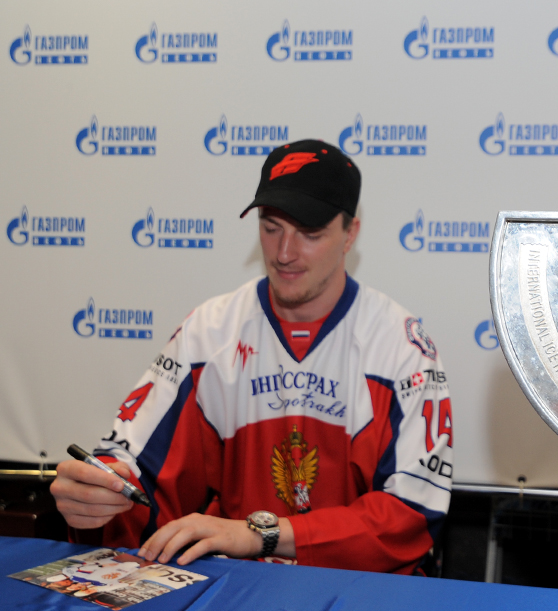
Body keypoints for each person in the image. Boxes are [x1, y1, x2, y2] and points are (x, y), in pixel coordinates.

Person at [50, 139, 453, 574]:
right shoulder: (210, 330)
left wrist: (264, 534)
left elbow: (412, 515)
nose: (284, 253)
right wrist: (97, 494)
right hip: (237, 594)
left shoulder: (401, 346)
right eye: (271, 226)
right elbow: (137, 469)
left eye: (310, 233)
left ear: (350, 233)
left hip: (363, 599)